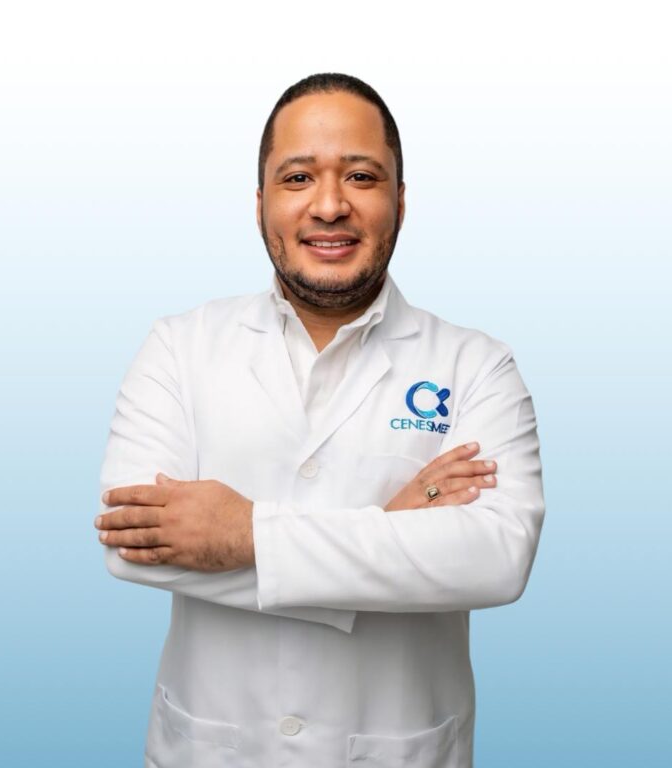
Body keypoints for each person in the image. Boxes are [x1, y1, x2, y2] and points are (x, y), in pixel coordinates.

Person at [95, 72, 545, 768]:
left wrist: (241, 535)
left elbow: (495, 558)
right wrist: (391, 532)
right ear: (260, 203)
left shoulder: (476, 364)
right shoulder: (179, 347)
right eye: (298, 177)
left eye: (361, 176)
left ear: (400, 201)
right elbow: (131, 544)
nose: (330, 206)